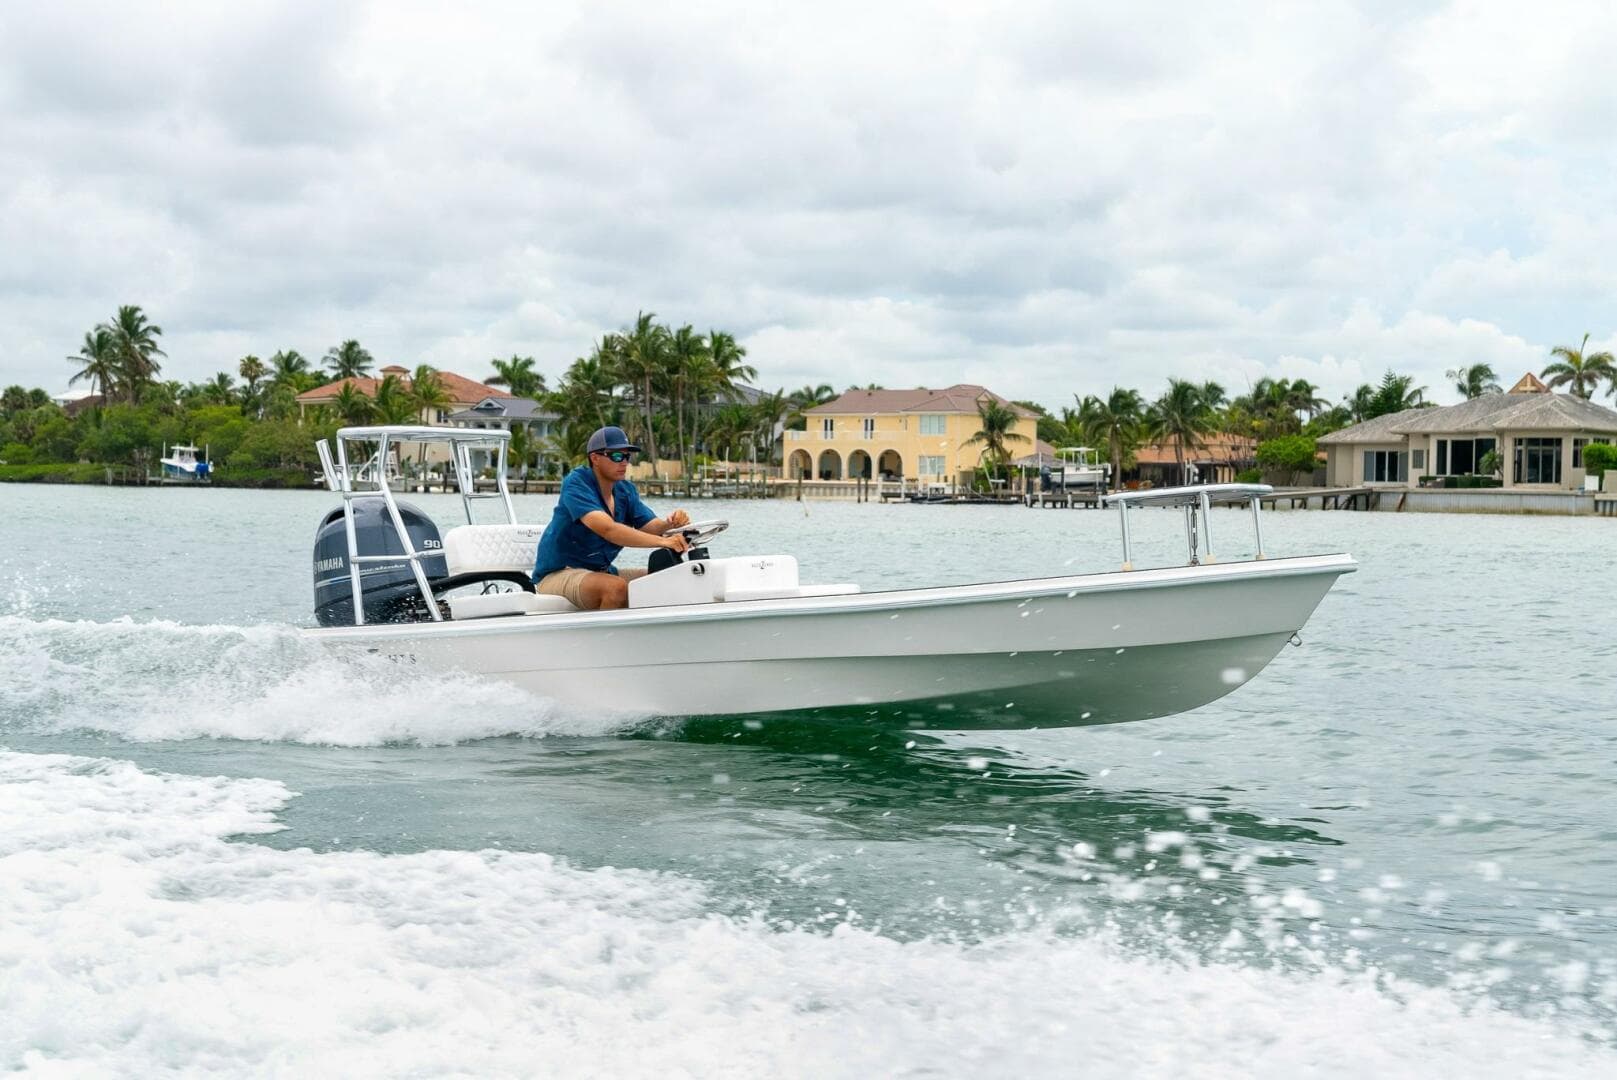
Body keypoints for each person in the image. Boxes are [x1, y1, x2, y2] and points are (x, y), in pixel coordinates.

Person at [531, 426, 691, 610]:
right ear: (595, 458)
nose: (624, 462)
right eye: (616, 456)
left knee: (666, 580)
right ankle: (605, 639)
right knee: (615, 588)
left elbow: (650, 525)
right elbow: (608, 529)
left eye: (627, 456)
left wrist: (670, 523)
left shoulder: (625, 490)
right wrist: (664, 542)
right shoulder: (577, 483)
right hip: (558, 573)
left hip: (601, 572)